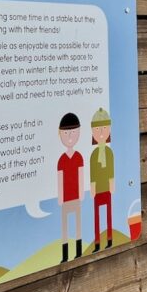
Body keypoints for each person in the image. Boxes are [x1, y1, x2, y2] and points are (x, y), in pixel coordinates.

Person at [56, 112, 84, 262]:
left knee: (78, 225)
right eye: (66, 133)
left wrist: (81, 193)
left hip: (76, 197)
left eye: (73, 132)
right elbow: (60, 178)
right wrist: (60, 197)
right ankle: (65, 255)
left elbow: (81, 174)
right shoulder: (61, 160)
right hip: (66, 198)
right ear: (60, 134)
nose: (70, 136)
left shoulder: (79, 157)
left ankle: (79, 251)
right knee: (65, 227)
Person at [89, 108, 115, 252]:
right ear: (93, 132)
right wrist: (92, 187)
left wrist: (112, 184)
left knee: (109, 214)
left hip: (107, 187)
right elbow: (93, 172)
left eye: (104, 128)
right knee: (97, 216)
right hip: (98, 188)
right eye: (97, 129)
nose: (101, 132)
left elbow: (110, 170)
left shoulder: (109, 153)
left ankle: (110, 238)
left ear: (109, 130)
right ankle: (97, 242)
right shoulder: (94, 155)